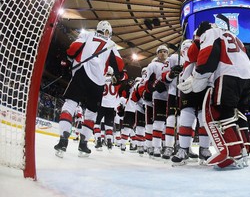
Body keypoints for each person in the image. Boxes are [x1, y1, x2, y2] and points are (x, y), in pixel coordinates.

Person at [178, 20, 250, 169]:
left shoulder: (210, 33)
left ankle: (232, 153)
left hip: (228, 74)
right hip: (249, 77)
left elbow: (207, 56)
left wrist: (199, 77)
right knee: (239, 113)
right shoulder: (235, 37)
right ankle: (244, 150)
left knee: (223, 112)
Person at [54, 20, 126, 158]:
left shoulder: (87, 35)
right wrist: (120, 75)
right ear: (108, 33)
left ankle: (63, 140)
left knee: (70, 105)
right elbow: (119, 65)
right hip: (98, 82)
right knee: (91, 114)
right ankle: (83, 144)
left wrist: (69, 58)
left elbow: (73, 49)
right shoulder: (111, 45)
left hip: (81, 73)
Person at [172, 38, 211, 166]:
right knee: (186, 119)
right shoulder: (184, 62)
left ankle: (203, 149)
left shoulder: (201, 47)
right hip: (189, 88)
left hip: (203, 85)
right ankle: (184, 149)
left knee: (204, 119)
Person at [132, 45, 170, 158]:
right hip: (158, 97)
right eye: (160, 52)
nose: (163, 53)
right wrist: (154, 86)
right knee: (157, 122)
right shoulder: (153, 65)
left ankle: (166, 146)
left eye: (165, 51)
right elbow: (147, 82)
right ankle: (156, 146)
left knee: (168, 124)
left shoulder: (171, 63)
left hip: (171, 96)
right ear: (157, 54)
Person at [93, 66, 120, 151]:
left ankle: (98, 141)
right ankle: (109, 142)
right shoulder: (115, 81)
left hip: (102, 104)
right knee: (109, 126)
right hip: (111, 106)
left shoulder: (101, 79)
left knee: (96, 124)